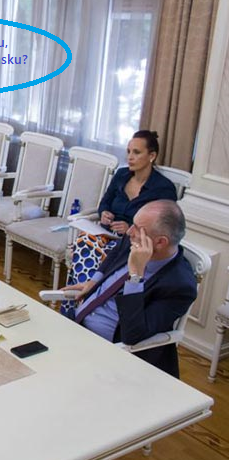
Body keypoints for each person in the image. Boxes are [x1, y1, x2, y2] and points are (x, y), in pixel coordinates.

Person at [61, 200, 195, 377]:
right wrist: (94, 280)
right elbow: (116, 252)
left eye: (138, 228)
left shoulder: (179, 287)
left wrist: (135, 277)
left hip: (110, 355)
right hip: (75, 328)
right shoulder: (134, 239)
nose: (129, 232)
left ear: (160, 242)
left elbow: (133, 335)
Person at [68, 130, 177, 285]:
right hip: (107, 233)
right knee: (84, 240)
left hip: (133, 243)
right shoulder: (121, 175)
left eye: (136, 152)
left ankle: (86, 292)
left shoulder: (163, 188)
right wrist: (104, 213)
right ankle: (87, 292)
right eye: (128, 151)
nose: (130, 157)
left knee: (96, 253)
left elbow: (162, 228)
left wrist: (131, 228)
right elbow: (105, 202)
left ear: (152, 156)